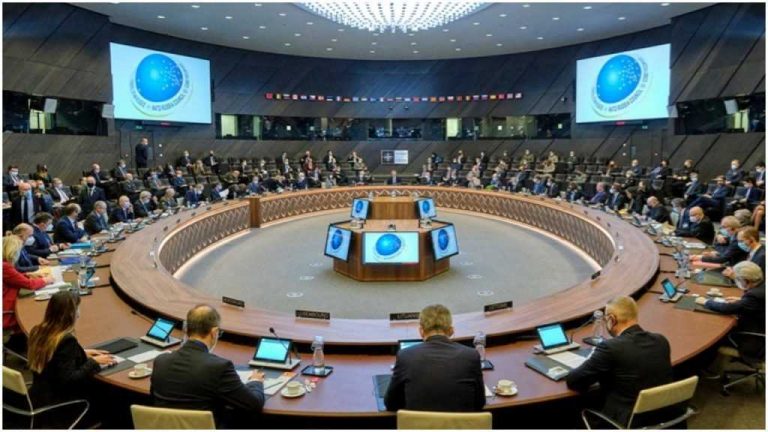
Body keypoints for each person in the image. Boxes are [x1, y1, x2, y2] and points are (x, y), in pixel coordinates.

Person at [566, 296, 676, 428]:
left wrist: (592, 360)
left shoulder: (610, 348)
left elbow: (574, 381)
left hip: (626, 421)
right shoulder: (661, 340)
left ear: (612, 319)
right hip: (664, 415)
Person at [151, 305, 265, 427]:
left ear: (186, 329)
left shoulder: (160, 361)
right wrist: (255, 381)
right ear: (214, 332)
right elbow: (254, 404)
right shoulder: (219, 367)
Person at [27, 291, 116, 427]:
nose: (79, 313)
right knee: (111, 395)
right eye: (77, 309)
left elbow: (52, 356)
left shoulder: (38, 331)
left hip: (38, 398)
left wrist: (80, 352)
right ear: (70, 314)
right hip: (61, 406)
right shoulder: (67, 340)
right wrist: (94, 362)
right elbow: (70, 380)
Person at [384, 304, 484, 412]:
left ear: (421, 331)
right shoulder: (471, 356)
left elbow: (391, 404)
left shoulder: (405, 356)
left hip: (419, 423)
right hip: (459, 423)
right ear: (451, 331)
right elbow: (479, 403)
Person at [696, 261, 764, 361]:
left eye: (737, 279)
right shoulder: (762, 286)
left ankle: (704, 363)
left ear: (745, 281)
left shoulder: (754, 295)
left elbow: (726, 308)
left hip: (753, 340)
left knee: (710, 336)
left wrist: (706, 301)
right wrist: (742, 301)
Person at [3, 236, 53, 333]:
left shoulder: (4, 264)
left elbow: (13, 278)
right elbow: (29, 284)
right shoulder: (5, 266)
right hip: (7, 310)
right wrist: (46, 280)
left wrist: (27, 274)